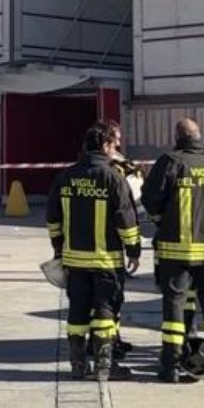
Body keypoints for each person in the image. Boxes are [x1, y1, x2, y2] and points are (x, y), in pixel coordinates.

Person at [142, 118, 204, 383]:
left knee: (174, 306)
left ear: (177, 137)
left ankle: (171, 365)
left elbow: (150, 200)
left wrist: (163, 220)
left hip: (177, 250)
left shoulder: (171, 162)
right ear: (199, 136)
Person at [45, 122, 141, 382]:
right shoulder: (113, 178)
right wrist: (134, 250)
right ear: (105, 145)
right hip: (106, 261)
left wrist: (58, 249)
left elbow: (53, 219)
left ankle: (78, 366)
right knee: (105, 312)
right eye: (114, 144)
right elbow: (126, 220)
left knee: (77, 311)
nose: (117, 149)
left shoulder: (65, 177)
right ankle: (104, 368)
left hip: (74, 261)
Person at [104, 122, 141, 362]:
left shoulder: (77, 170)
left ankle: (112, 338)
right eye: (115, 139)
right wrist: (133, 248)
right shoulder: (114, 170)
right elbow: (127, 209)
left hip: (83, 247)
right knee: (109, 298)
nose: (119, 144)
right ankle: (106, 345)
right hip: (108, 245)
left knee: (106, 299)